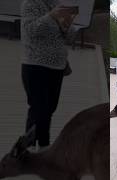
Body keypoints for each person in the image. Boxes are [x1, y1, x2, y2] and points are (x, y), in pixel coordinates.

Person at [21, 0, 78, 149]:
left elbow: (70, 37)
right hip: (35, 65)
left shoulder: (57, 4)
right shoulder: (31, 4)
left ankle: (37, 144)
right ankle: (35, 146)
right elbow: (30, 31)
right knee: (39, 109)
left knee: (49, 109)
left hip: (57, 67)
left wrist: (67, 23)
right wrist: (51, 16)